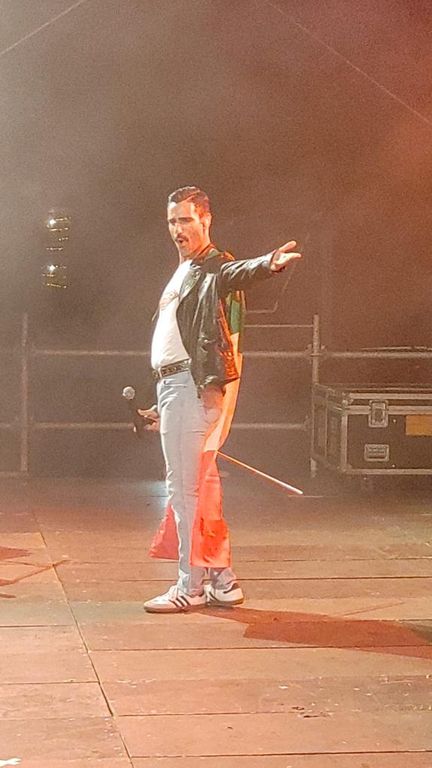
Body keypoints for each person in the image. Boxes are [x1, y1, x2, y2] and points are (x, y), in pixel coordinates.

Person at [139, 186, 301, 613]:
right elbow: (179, 338)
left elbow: (236, 273)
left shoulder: (213, 265)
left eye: (185, 220)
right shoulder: (185, 271)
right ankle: (220, 579)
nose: (177, 229)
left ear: (205, 220)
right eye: (172, 221)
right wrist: (161, 400)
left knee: (185, 491)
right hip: (176, 388)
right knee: (199, 487)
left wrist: (267, 264)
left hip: (190, 388)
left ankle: (189, 585)